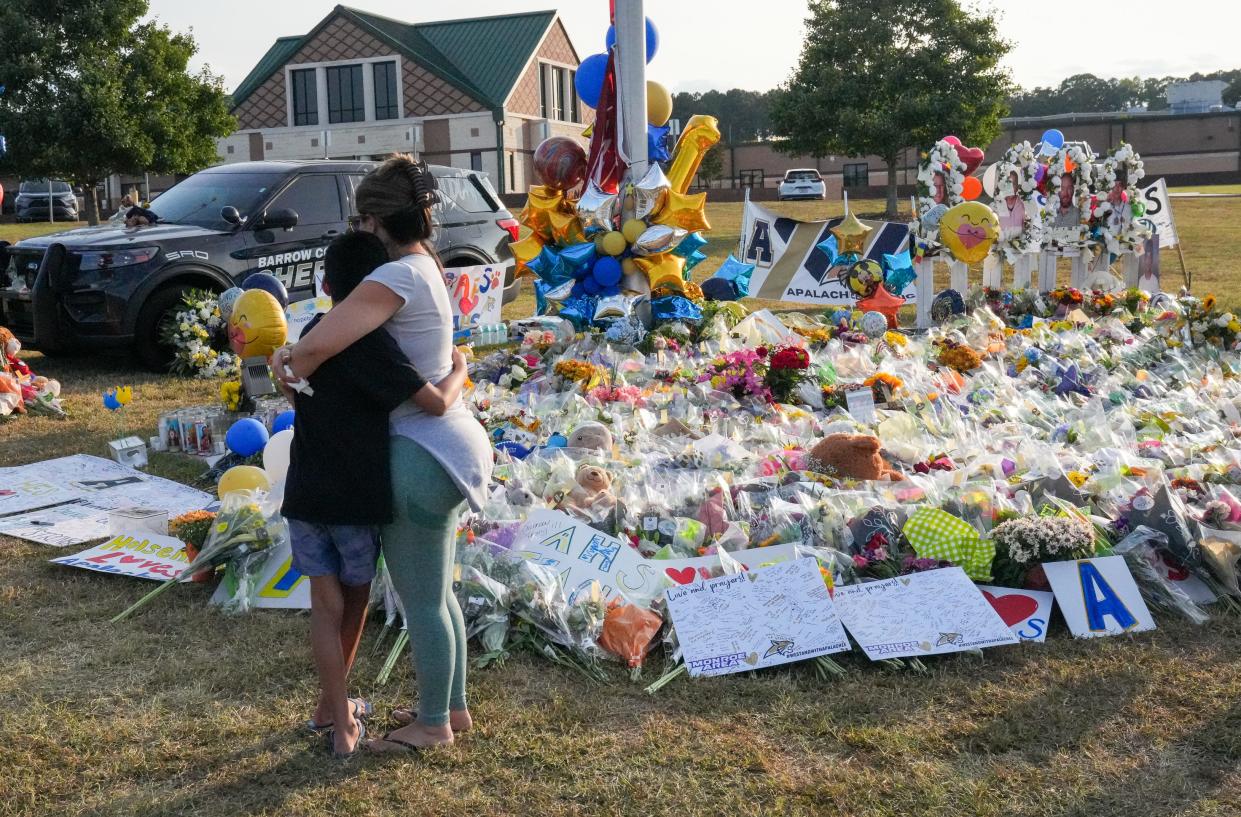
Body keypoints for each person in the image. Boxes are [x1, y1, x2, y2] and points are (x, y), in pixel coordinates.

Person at [273, 154, 493, 754]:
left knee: (422, 597)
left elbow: (315, 346)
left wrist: (285, 360)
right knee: (438, 591)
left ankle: (432, 725)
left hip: (419, 452)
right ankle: (453, 707)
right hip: (449, 446)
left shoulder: (393, 278)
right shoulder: (427, 268)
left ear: (372, 220)